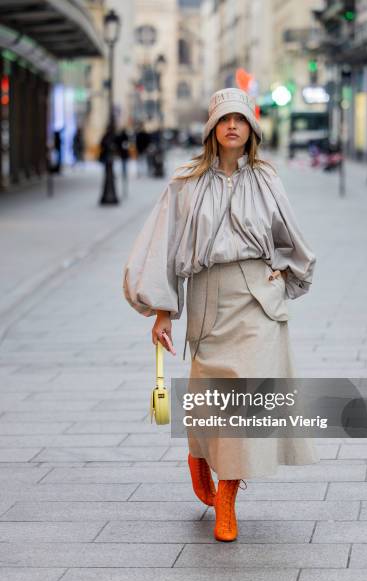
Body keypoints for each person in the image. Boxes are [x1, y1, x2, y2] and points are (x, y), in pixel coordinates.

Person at [123, 87, 319, 542]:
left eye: (241, 119)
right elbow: (164, 247)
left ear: (252, 128)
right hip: (208, 296)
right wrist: (162, 312)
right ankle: (199, 455)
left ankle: (227, 498)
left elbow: (292, 236)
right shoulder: (185, 183)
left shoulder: (267, 178)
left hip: (256, 299)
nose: (233, 126)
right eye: (224, 119)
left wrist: (283, 276)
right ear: (212, 128)